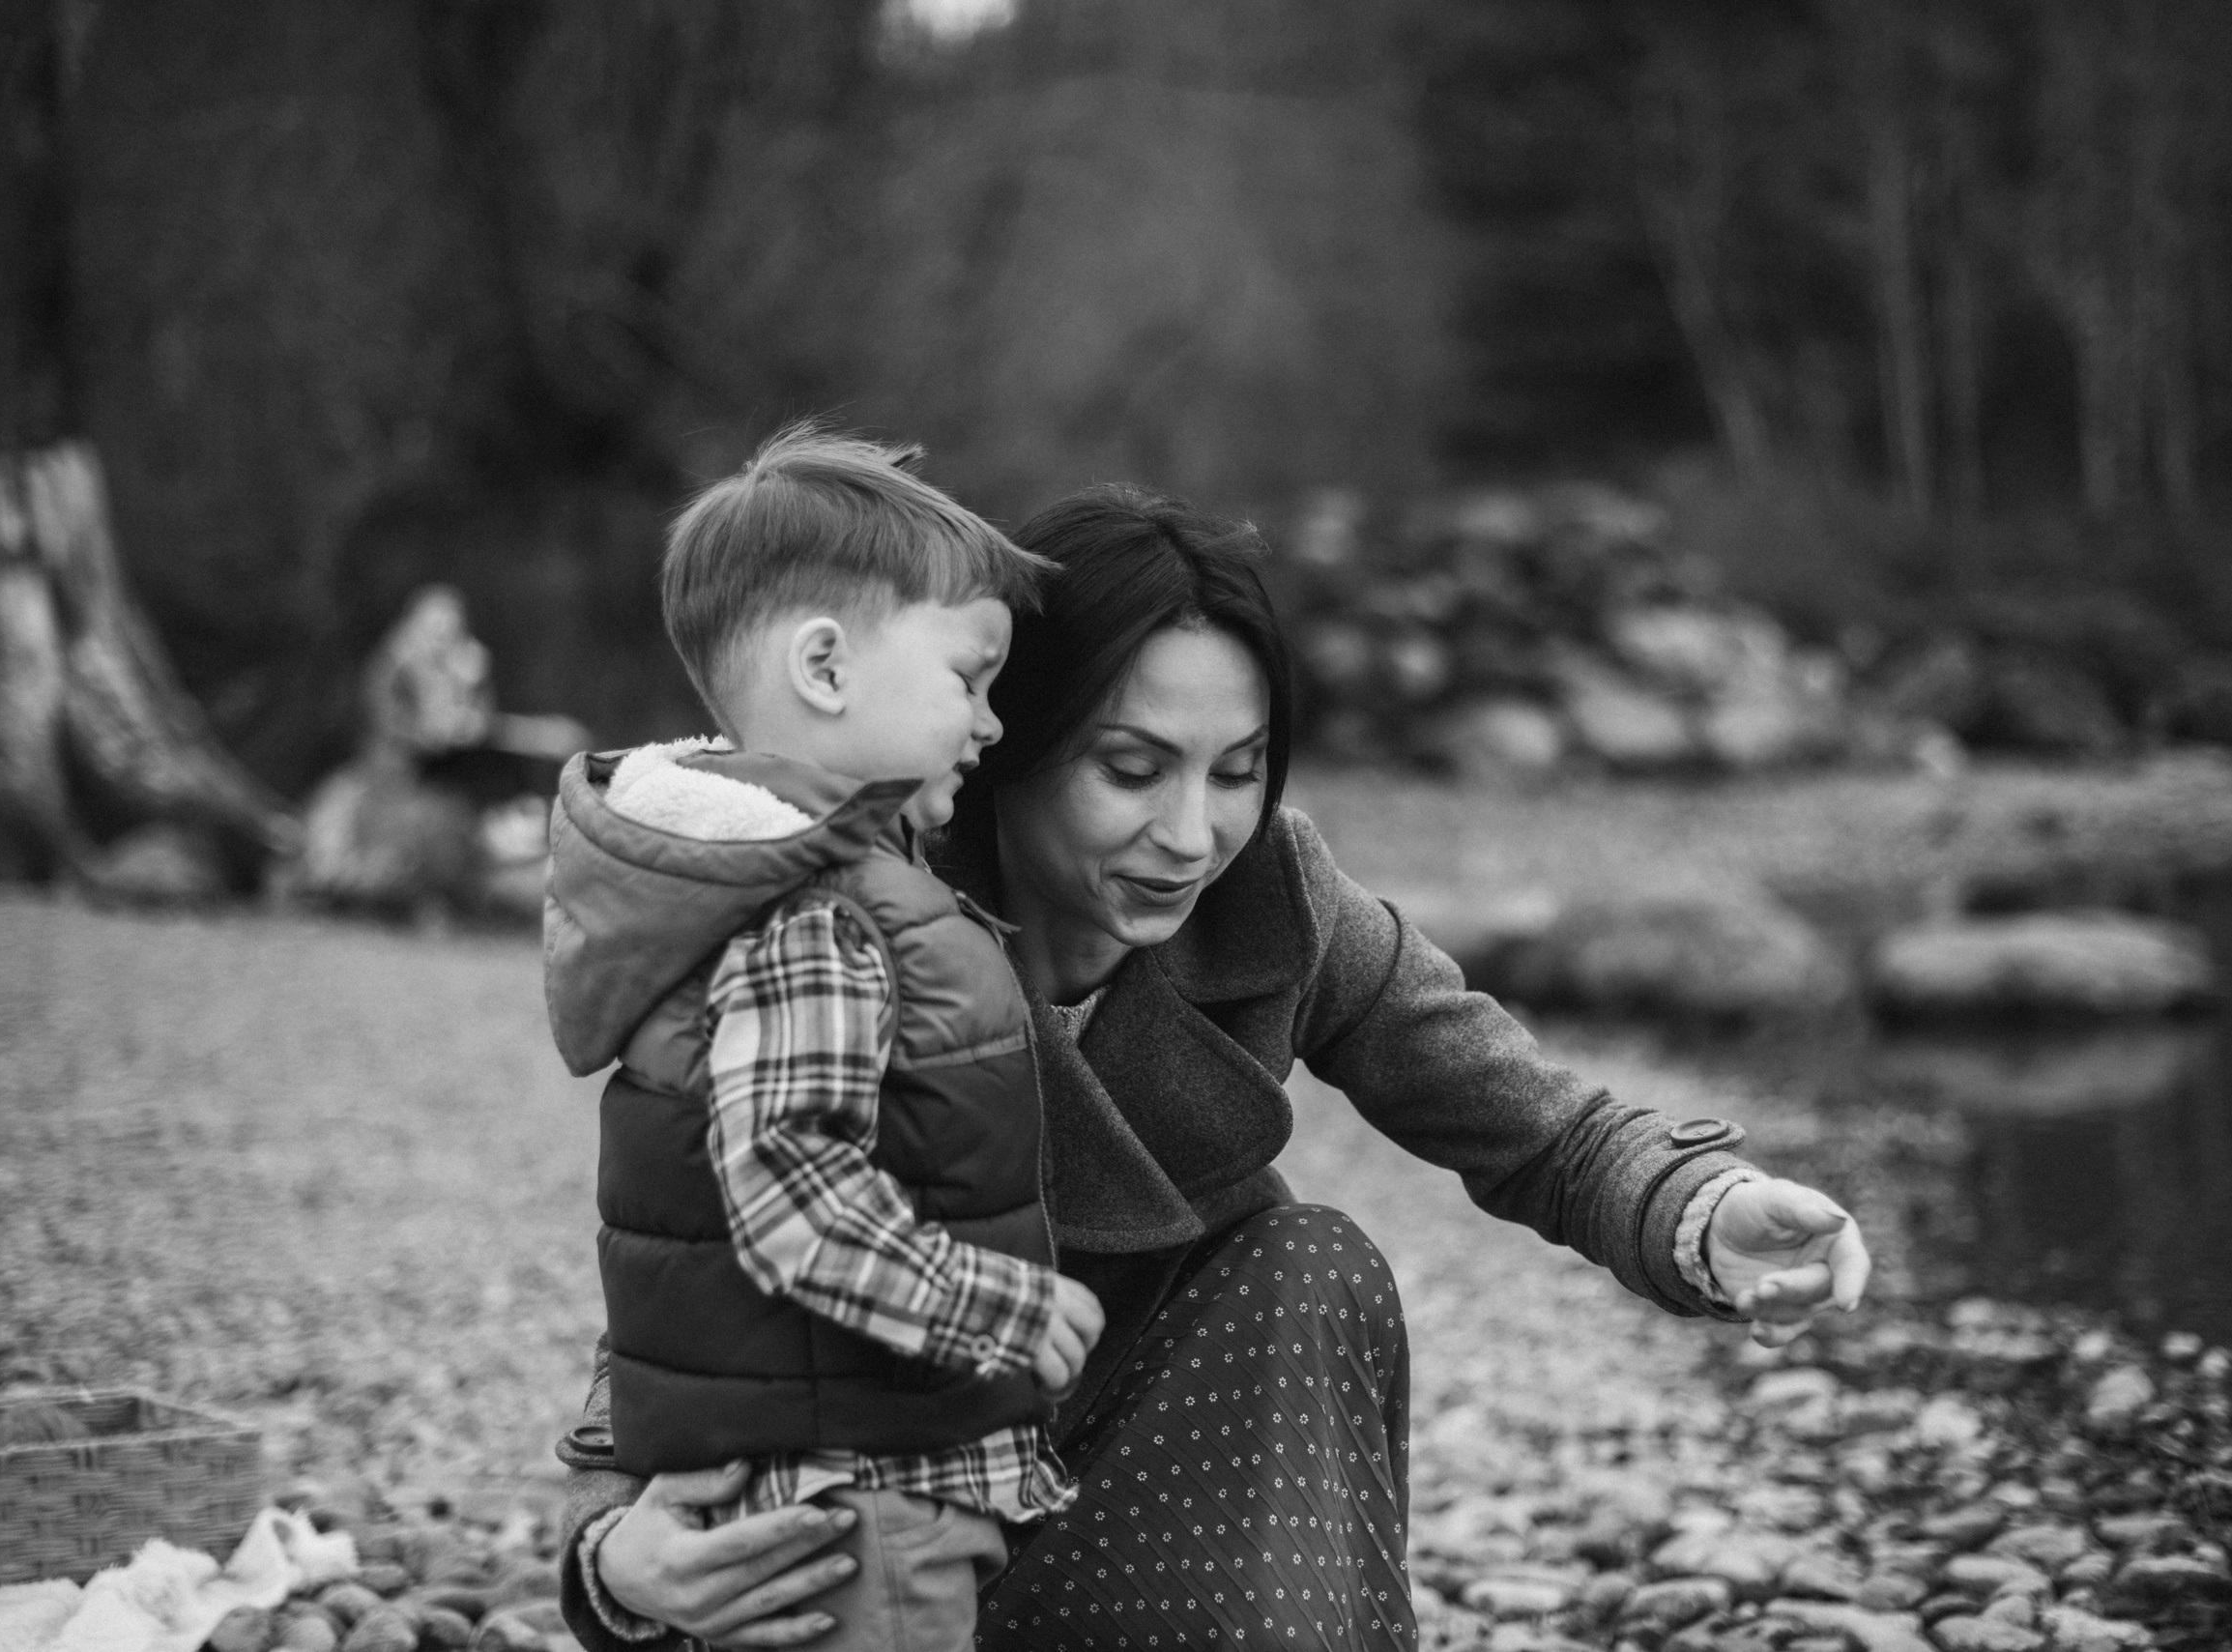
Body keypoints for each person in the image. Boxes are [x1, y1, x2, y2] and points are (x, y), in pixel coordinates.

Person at [554, 484, 1872, 1652]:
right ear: (1003, 741)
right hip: (871, 1533)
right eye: (1132, 769)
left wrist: (1699, 1214)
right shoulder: (851, 920)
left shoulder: (1270, 896)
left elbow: (1530, 1123)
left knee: (1314, 1265)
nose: (1189, 834)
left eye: (1236, 771)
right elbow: (696, 1248)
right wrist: (615, 1566)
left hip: (1131, 1521)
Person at [540, 424, 1109, 1652]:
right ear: (827, 667)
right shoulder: (817, 916)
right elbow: (790, 1189)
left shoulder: (774, 885)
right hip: (859, 1500)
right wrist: (993, 1308)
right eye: (970, 676)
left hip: (828, 1474)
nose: (993, 722)